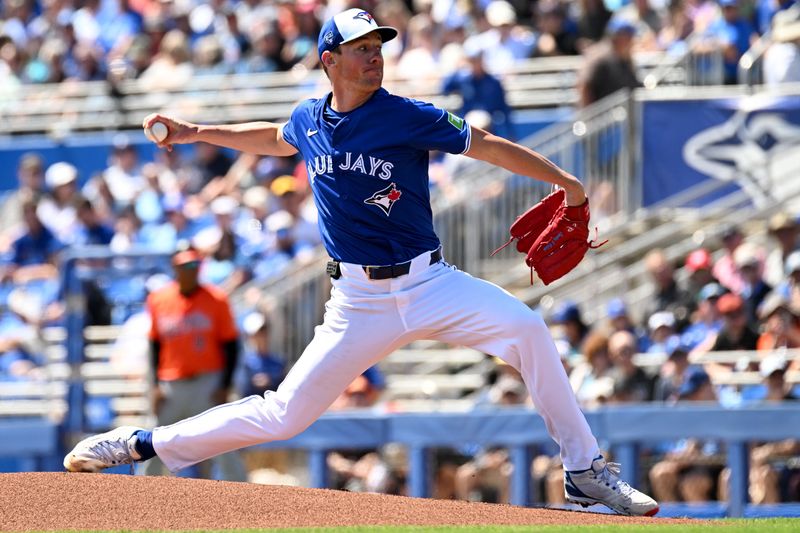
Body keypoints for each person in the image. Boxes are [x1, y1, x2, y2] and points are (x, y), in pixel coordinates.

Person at [63, 8, 658, 517]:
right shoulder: (309, 119)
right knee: (284, 416)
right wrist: (197, 133)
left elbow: (484, 143)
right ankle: (141, 443)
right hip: (358, 303)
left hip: (429, 282)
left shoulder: (403, 114)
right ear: (329, 59)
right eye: (361, 49)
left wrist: (564, 181)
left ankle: (583, 472)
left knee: (529, 329)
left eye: (378, 48)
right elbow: (275, 137)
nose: (374, 58)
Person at [139, 243, 246, 481]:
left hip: (207, 383)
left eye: (195, 264)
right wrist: (153, 386)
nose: (191, 269)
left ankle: (243, 500)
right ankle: (141, 500)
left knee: (223, 442)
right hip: (171, 385)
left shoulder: (216, 299)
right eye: (185, 265)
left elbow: (231, 346)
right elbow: (155, 346)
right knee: (153, 444)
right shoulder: (159, 299)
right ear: (174, 268)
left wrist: (225, 386)